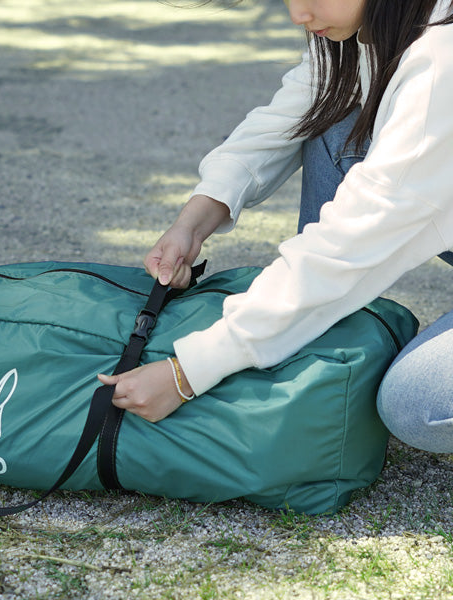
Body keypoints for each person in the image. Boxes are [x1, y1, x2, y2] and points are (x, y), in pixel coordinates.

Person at [98, 0, 453, 453]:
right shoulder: (375, 28)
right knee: (331, 113)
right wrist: (193, 222)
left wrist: (190, 371)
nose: (296, 14)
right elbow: (281, 122)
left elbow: (353, 238)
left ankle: (295, 326)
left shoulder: (440, 62)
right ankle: (308, 335)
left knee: (416, 404)